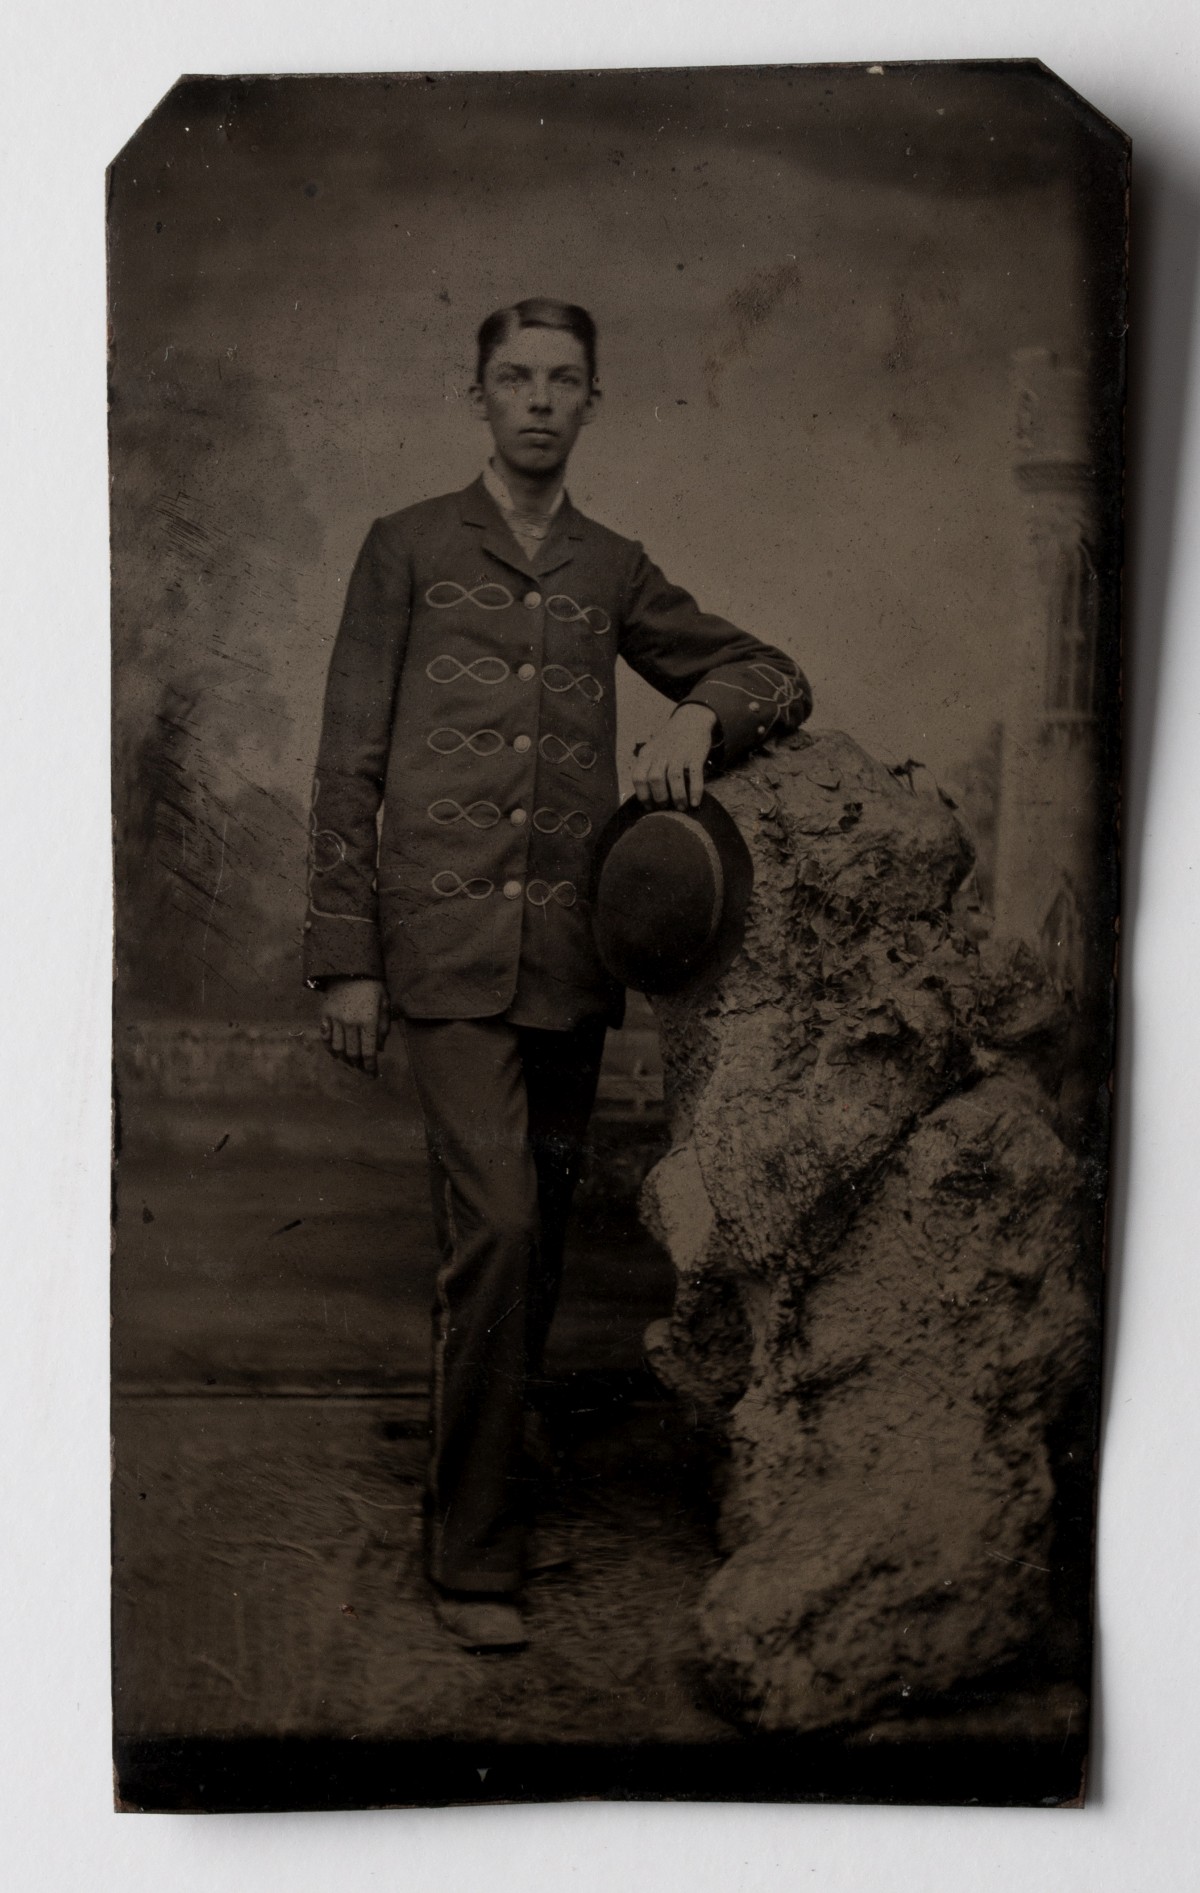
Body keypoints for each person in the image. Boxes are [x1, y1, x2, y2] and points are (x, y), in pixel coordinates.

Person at [304, 298, 811, 1650]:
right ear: (476, 395)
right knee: (505, 1229)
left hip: (569, 970)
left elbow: (775, 674)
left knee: (525, 1246)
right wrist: (346, 961)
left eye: (564, 380)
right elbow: (348, 762)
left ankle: (483, 1470)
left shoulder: (613, 565)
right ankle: (473, 1548)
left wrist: (701, 710)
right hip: (442, 958)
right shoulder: (404, 547)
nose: (538, 399)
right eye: (515, 378)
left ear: (592, 402)